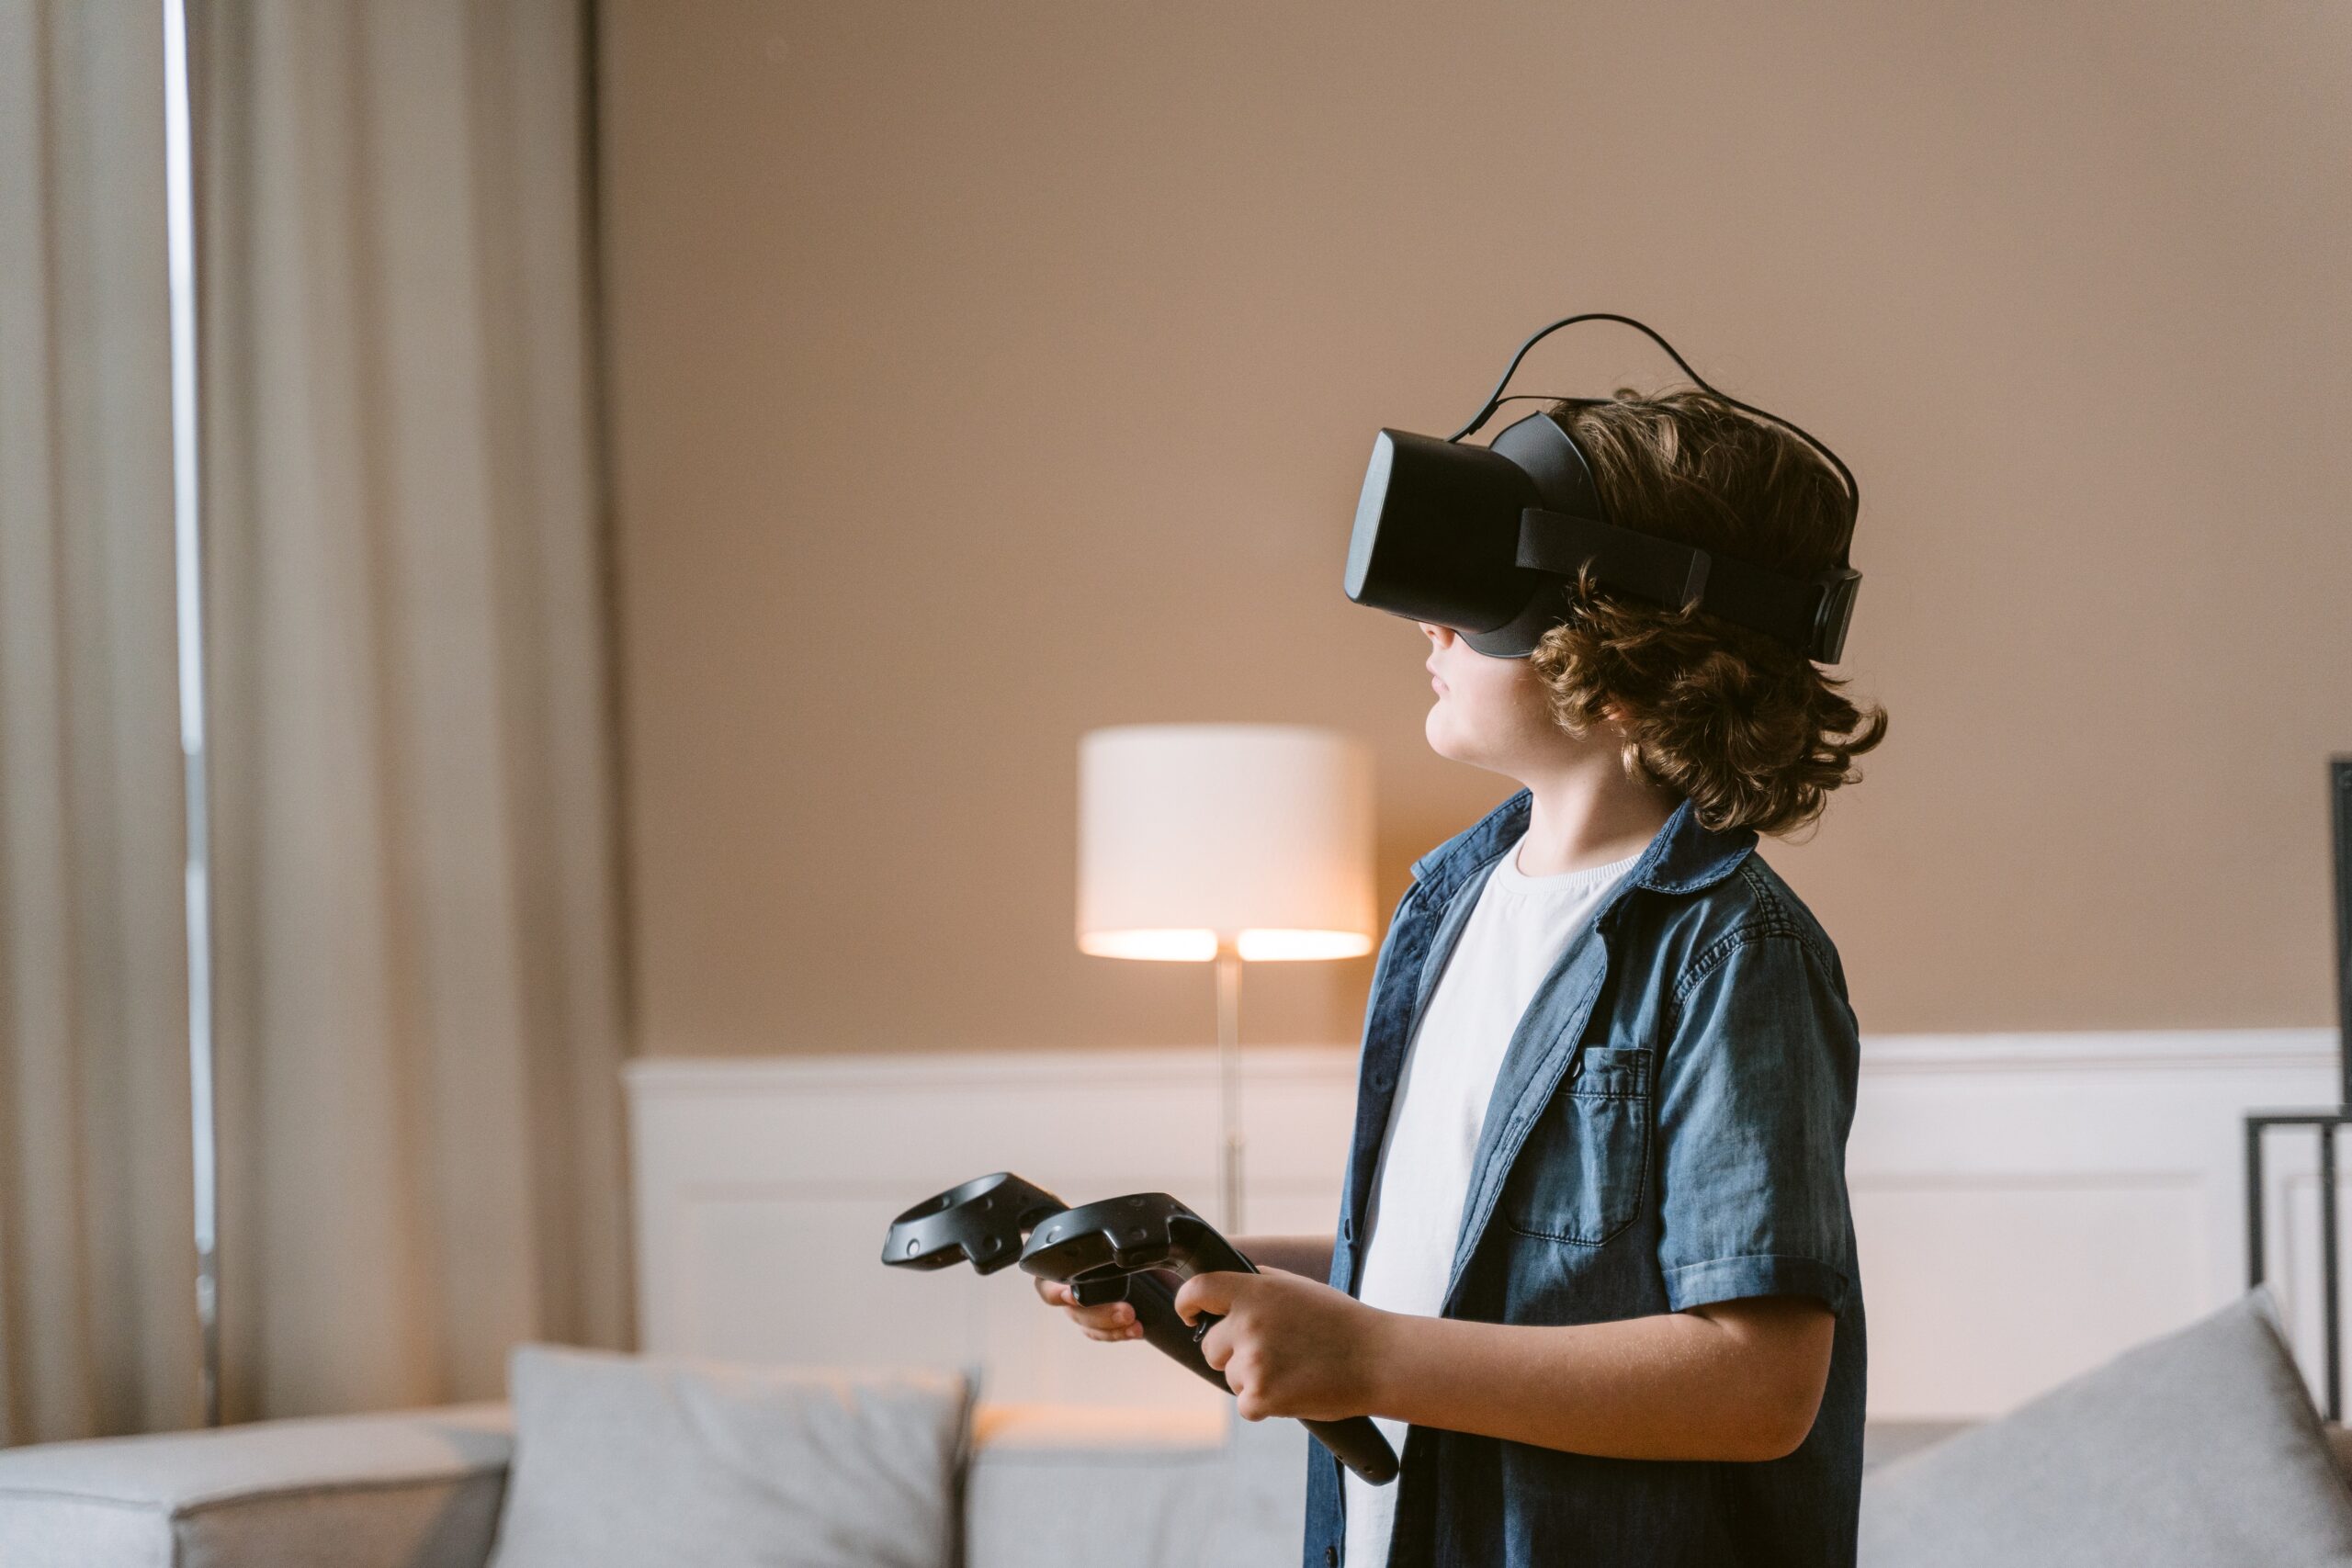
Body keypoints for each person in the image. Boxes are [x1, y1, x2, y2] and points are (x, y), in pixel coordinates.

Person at [1038, 385, 1888, 1567]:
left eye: (1479, 604)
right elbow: (1457, 1268)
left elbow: (1757, 1385)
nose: (1428, 629)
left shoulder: (1732, 954)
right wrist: (1224, 1282)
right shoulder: (1448, 904)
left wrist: (1372, 1357)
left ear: (1627, 658)